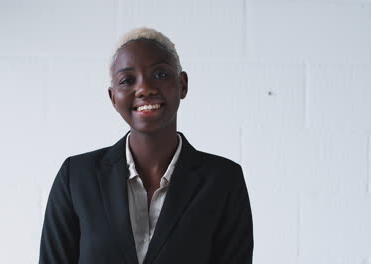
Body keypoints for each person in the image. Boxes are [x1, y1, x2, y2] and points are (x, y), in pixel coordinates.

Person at [39, 27, 254, 264]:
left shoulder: (223, 179)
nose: (144, 89)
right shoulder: (77, 177)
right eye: (127, 80)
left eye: (160, 74)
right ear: (113, 97)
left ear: (182, 84)